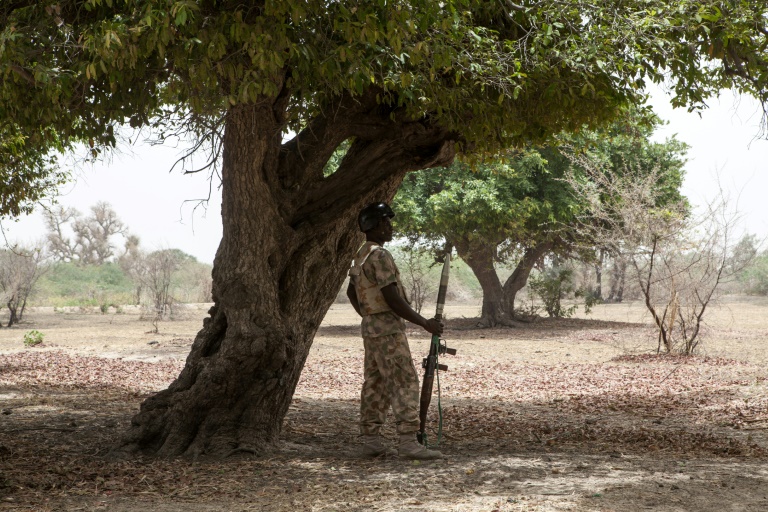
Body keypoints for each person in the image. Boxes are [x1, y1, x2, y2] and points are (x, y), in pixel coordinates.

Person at [346, 202, 444, 460]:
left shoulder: (361, 254)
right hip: (387, 329)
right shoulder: (379, 255)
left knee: (375, 382)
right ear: (374, 225)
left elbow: (351, 292)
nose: (390, 226)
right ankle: (408, 442)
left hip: (371, 328)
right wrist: (424, 323)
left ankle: (371, 440)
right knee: (403, 380)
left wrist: (369, 315)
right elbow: (391, 297)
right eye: (386, 222)